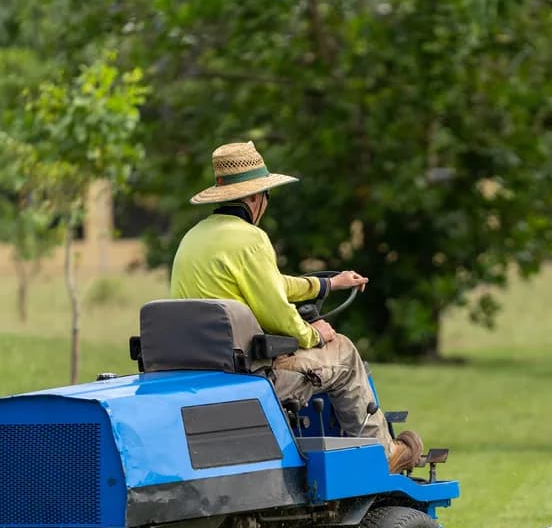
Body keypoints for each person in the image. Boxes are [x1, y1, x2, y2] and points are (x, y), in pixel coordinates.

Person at [169, 141, 424, 474]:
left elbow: (270, 284)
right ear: (254, 198)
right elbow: (279, 315)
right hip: (249, 377)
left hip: (200, 372)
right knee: (343, 351)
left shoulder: (195, 237)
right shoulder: (250, 239)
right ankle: (383, 453)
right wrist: (313, 334)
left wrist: (327, 284)